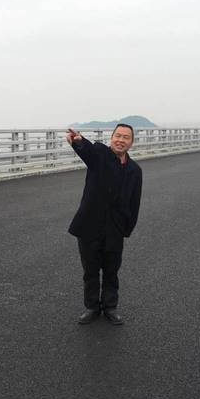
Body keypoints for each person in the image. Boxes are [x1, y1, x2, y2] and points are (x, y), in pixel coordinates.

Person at [66, 124, 143, 325]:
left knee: (111, 270)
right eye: (118, 136)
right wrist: (78, 142)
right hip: (89, 225)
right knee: (90, 271)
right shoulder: (100, 155)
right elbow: (87, 151)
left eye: (126, 137)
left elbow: (134, 202)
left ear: (132, 142)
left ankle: (110, 307)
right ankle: (92, 307)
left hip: (115, 228)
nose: (121, 140)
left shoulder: (135, 170)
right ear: (112, 137)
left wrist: (126, 228)